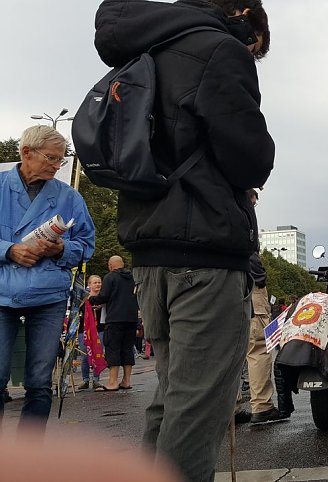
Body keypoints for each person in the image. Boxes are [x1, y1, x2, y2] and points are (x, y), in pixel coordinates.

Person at [90, 0, 274, 479]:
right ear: (241, 13)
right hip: (205, 253)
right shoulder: (219, 49)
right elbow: (249, 156)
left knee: (173, 398)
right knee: (197, 411)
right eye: (254, 47)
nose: (250, 55)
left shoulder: (144, 47)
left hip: (149, 251)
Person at [0, 125, 96, 432]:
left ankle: (29, 462)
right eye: (52, 158)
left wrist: (60, 249)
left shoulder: (69, 197)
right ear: (27, 153)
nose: (57, 165)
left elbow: (86, 245)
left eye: (60, 159)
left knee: (40, 382)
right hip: (2, 293)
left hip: (48, 296)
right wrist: (9, 250)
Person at [235, 190, 287, 425]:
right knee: (258, 349)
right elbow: (250, 258)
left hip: (220, 288)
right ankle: (262, 405)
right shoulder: (243, 218)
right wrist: (260, 276)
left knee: (228, 353)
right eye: (254, 197)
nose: (256, 202)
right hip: (249, 291)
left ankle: (230, 408)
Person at [90, 256, 139, 392]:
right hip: (131, 318)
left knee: (113, 348)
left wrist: (91, 299)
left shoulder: (110, 277)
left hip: (115, 318)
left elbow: (104, 296)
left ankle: (112, 382)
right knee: (128, 348)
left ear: (110, 265)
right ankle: (126, 380)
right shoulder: (133, 277)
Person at [78, 275, 105, 390]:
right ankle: (85, 380)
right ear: (89, 284)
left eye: (99, 282)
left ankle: (96, 379)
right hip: (85, 331)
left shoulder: (104, 298)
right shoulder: (83, 298)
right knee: (85, 355)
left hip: (100, 330)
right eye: (95, 283)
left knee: (98, 353)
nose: (98, 284)